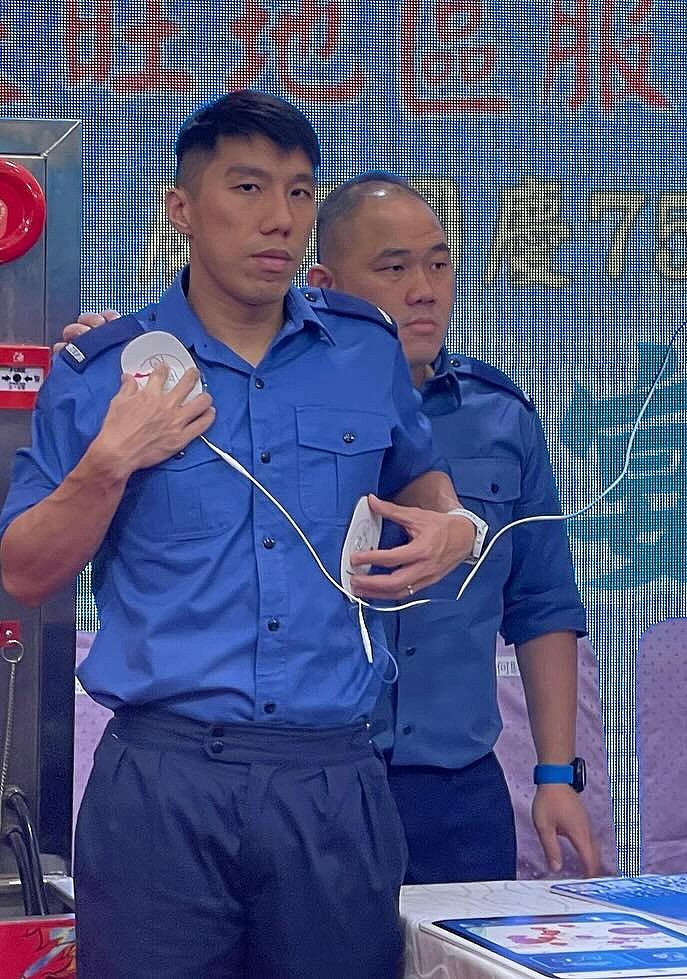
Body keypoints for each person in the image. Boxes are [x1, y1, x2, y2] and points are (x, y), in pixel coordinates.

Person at [0, 92, 482, 977]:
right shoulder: (105, 372)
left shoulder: (363, 349)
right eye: (249, 187)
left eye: (299, 192)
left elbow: (422, 476)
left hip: (330, 778)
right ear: (181, 209)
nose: (280, 219)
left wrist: (458, 526)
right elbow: (25, 572)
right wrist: (111, 460)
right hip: (164, 785)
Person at [308, 173, 599, 882]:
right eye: (394, 269)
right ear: (324, 285)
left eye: (439, 264)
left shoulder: (499, 416)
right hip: (314, 780)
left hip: (459, 790)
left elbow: (542, 604)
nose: (425, 290)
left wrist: (555, 774)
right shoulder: (281, 414)